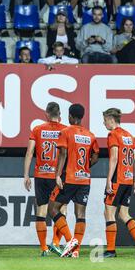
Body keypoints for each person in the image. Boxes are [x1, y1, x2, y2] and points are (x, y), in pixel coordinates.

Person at [48, 103, 99, 258]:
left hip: (69, 177)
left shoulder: (66, 132)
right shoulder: (90, 135)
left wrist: (57, 175)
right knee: (80, 214)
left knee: (52, 208)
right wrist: (84, 166)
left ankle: (70, 241)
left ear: (70, 116)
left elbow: (62, 154)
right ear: (82, 116)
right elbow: (95, 156)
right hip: (84, 179)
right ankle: (75, 251)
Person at [102, 108, 135, 258]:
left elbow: (114, 158)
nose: (103, 123)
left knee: (108, 213)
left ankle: (110, 250)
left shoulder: (113, 135)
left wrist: (109, 179)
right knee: (124, 214)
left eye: (104, 119)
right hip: (128, 180)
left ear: (111, 119)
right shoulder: (128, 135)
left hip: (118, 179)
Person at [23, 102, 68, 256]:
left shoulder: (37, 129)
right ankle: (56, 243)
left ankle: (43, 249)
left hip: (41, 175)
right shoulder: (65, 130)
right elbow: (67, 154)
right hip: (58, 177)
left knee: (41, 210)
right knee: (62, 209)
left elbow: (29, 153)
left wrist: (26, 175)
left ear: (46, 113)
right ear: (59, 114)